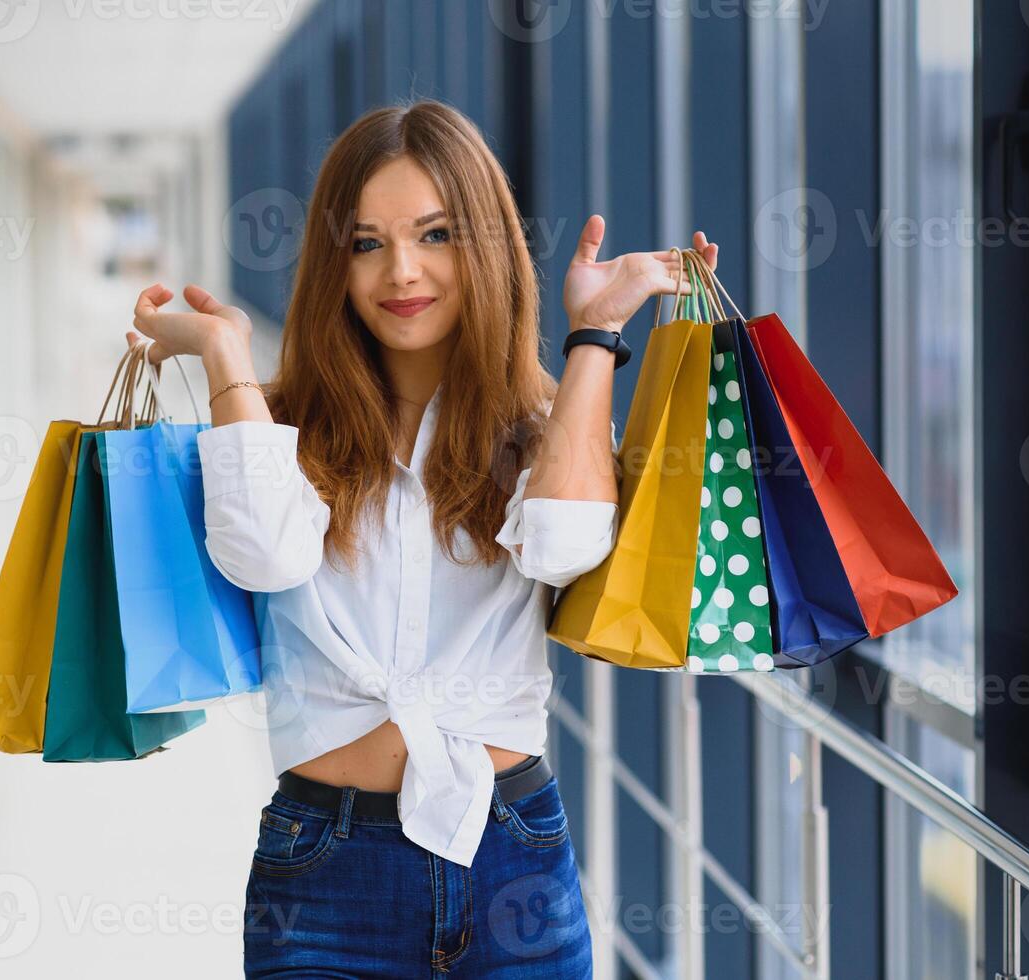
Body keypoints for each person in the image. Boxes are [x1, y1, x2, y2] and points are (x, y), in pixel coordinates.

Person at [127, 98, 715, 978]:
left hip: (512, 855)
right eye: (367, 243)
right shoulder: (277, 425)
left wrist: (595, 335)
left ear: (482, 246)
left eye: (435, 234)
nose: (401, 271)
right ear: (336, 263)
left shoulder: (540, 425)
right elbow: (265, 555)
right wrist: (224, 356)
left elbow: (561, 548)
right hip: (324, 869)